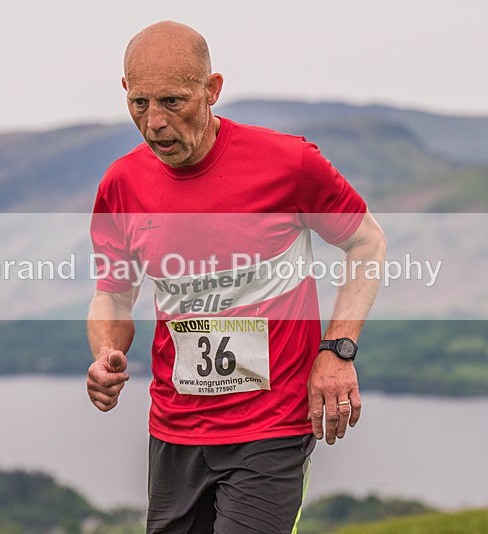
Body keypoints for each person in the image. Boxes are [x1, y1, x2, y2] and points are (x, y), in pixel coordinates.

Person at [87, 21, 386, 534]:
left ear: (212, 89)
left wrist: (337, 350)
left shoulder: (288, 163)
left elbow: (367, 242)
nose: (154, 123)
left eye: (173, 102)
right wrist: (105, 353)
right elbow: (113, 292)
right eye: (140, 103)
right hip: (175, 429)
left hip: (272, 428)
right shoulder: (122, 183)